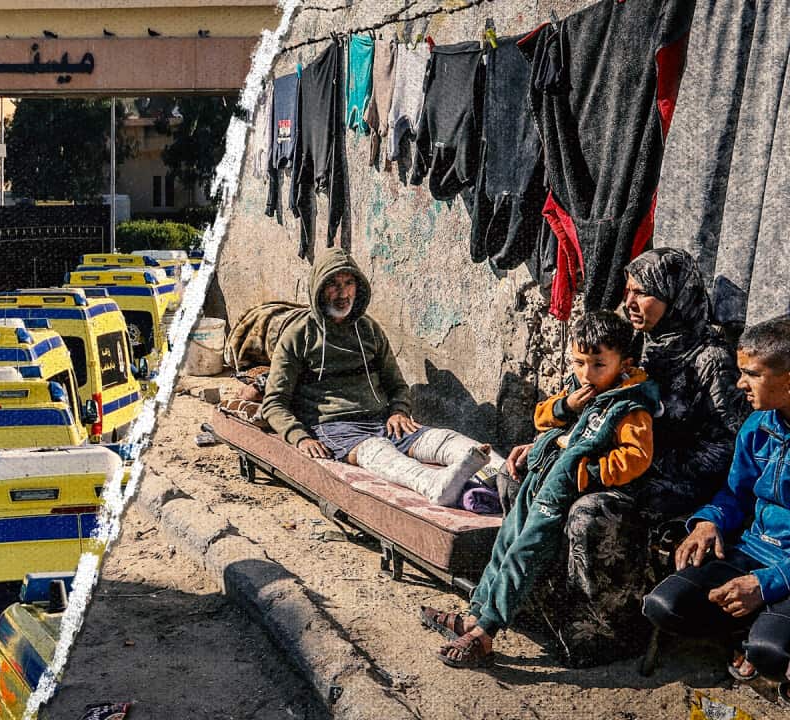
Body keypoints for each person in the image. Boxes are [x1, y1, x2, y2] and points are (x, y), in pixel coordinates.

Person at [501, 247, 749, 664]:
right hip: (615, 463)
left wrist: (647, 468)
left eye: (643, 293)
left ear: (677, 296)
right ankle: (534, 599)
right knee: (519, 475)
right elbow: (580, 398)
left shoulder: (710, 360)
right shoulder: (632, 343)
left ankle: (606, 630)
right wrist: (549, 443)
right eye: (628, 290)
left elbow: (728, 445)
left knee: (591, 510)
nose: (630, 302)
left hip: (670, 484)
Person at [423, 310, 659, 667]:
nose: (586, 373)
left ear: (624, 364)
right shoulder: (578, 388)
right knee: (506, 541)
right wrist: (566, 405)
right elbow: (542, 416)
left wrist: (585, 473)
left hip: (566, 488)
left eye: (598, 364)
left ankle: (486, 632)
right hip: (543, 479)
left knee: (525, 550)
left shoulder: (629, 405)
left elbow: (635, 458)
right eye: (579, 362)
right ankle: (475, 613)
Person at [261, 248, 501, 507]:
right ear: (318, 289)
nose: (342, 294)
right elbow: (274, 402)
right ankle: (434, 485)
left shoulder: (369, 330)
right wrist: (301, 437)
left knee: (444, 440)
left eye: (348, 283)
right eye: (333, 284)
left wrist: (398, 410)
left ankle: (501, 473)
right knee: (380, 452)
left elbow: (396, 384)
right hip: (335, 428)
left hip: (382, 421)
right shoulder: (298, 336)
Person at [642, 315, 790, 682]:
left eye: (752, 374)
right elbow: (735, 493)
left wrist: (765, 585)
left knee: (770, 653)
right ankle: (753, 628)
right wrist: (710, 521)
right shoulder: (759, 426)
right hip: (754, 548)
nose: (740, 383)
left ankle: (762, 638)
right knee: (663, 606)